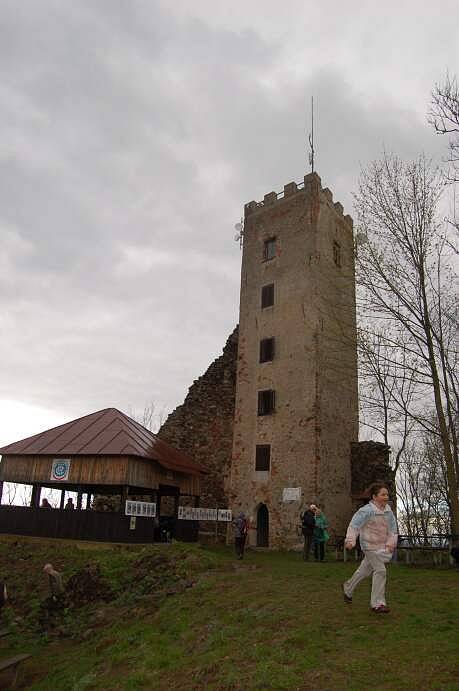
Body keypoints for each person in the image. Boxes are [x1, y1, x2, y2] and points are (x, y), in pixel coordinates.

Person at [342, 482, 398, 614]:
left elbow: (393, 530)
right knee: (381, 571)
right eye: (382, 494)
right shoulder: (366, 511)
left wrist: (391, 543)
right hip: (369, 546)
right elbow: (354, 526)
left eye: (387, 495)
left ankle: (348, 588)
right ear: (374, 497)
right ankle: (377, 604)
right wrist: (350, 540)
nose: (386, 497)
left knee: (364, 571)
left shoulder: (388, 512)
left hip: (382, 546)